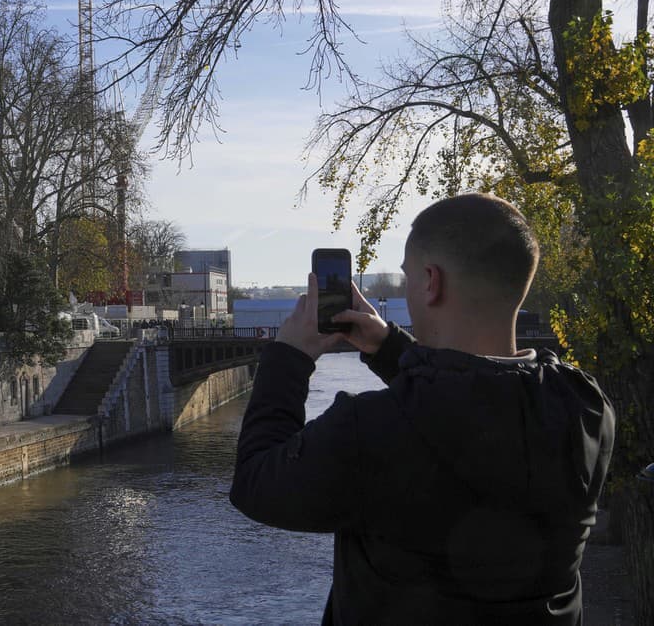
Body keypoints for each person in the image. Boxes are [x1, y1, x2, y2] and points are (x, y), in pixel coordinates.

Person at [229, 193, 614, 625]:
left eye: (408, 276)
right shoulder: (585, 407)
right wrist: (388, 348)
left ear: (431, 282)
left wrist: (288, 358)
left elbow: (255, 482)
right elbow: (471, 409)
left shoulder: (367, 432)